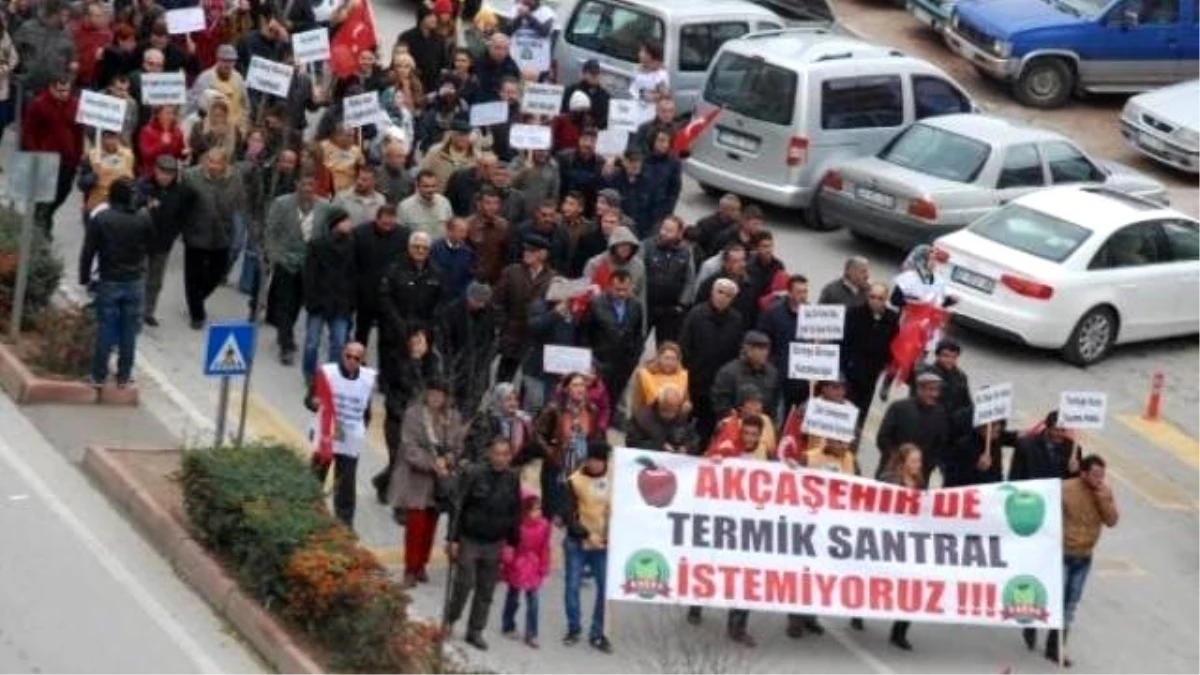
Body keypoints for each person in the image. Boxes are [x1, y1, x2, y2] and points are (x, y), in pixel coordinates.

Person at [687, 413, 767, 645]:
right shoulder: (727, 451)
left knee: (746, 576)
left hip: (749, 526)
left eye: (755, 434)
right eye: (746, 433)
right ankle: (696, 604)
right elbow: (705, 468)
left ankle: (738, 626)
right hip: (723, 522)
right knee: (711, 566)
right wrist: (712, 463)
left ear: (760, 436)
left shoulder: (763, 456)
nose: (750, 438)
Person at [445, 436, 523, 652]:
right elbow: (457, 507)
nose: (500, 459)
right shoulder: (473, 474)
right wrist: (452, 539)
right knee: (464, 583)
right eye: (496, 454)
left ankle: (475, 631)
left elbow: (515, 512)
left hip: (495, 542)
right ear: (490, 454)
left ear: (510, 456)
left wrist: (512, 543)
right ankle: (450, 621)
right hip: (470, 538)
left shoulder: (512, 479)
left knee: (486, 590)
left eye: (505, 454)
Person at [1041, 454, 1119, 666]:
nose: (1099, 480)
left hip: (1084, 557)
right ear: (1083, 473)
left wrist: (1104, 499)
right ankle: (1038, 632)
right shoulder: (1065, 489)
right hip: (1063, 554)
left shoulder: (1104, 492)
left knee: (1070, 604)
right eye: (1095, 475)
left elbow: (1112, 520)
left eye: (1102, 475)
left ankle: (1056, 646)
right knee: (1055, 599)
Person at [79, 178, 154, 389]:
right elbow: (151, 245)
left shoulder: (102, 219)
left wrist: (84, 277)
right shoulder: (143, 218)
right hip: (134, 280)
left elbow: (88, 251)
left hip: (109, 279)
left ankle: (98, 375)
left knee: (106, 328)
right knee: (129, 331)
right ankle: (124, 376)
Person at [391, 379, 464, 588]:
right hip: (417, 478)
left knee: (431, 524)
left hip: (440, 482)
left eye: (440, 395)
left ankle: (422, 564)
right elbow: (409, 446)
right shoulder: (414, 414)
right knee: (415, 524)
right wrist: (432, 464)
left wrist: (449, 459)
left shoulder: (453, 417)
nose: (436, 398)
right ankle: (410, 569)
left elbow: (459, 445)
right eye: (432, 394)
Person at [307, 341, 377, 527]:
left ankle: (344, 523)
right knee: (316, 475)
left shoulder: (367, 379)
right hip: (326, 433)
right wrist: (314, 403)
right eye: (349, 355)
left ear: (363, 360)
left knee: (346, 483)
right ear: (342, 354)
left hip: (350, 438)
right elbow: (309, 399)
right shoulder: (327, 374)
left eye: (357, 358)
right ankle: (307, 513)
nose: (352, 360)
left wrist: (360, 431)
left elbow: (366, 410)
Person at [264, 174, 332, 363]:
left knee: (297, 305)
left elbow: (326, 235)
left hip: (309, 265)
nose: (307, 188)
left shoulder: (325, 207)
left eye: (311, 184)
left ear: (316, 185)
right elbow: (271, 231)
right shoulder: (281, 203)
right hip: (286, 262)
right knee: (285, 303)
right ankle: (286, 343)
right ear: (297, 184)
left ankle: (285, 332)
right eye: (304, 184)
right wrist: (274, 256)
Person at [375, 327, 445, 503]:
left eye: (423, 341)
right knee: (397, 456)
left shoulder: (433, 363)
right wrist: (414, 361)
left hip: (418, 419)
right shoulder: (398, 359)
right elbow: (402, 384)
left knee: (404, 458)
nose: (419, 345)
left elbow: (428, 389)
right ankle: (392, 494)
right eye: (415, 341)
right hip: (396, 416)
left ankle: (383, 483)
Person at [182, 147, 246, 329]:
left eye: (217, 163)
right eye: (210, 161)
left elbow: (240, 201)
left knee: (217, 272)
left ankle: (197, 297)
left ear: (225, 164)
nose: (213, 166)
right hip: (196, 231)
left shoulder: (235, 179)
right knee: (193, 275)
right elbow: (183, 203)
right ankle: (197, 314)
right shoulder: (191, 176)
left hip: (221, 233)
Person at [562, 440, 614, 653]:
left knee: (604, 589)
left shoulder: (615, 477)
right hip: (578, 542)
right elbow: (569, 515)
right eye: (591, 459)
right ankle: (574, 628)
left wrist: (610, 534)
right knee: (572, 586)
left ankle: (597, 632)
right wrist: (586, 534)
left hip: (603, 544)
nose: (594, 464)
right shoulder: (574, 481)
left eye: (598, 461)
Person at [678, 279, 744, 442]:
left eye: (728, 295)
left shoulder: (737, 320)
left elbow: (736, 352)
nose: (723, 297)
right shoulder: (696, 314)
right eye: (720, 292)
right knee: (683, 422)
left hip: (719, 384)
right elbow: (684, 346)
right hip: (694, 379)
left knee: (707, 427)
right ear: (712, 293)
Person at [532, 372, 602, 521]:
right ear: (567, 389)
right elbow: (537, 434)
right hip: (556, 465)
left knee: (571, 510)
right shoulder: (554, 408)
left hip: (579, 467)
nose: (580, 388)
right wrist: (551, 452)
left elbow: (594, 436)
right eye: (575, 385)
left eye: (583, 385)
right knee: (549, 510)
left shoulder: (591, 410)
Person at [21, 75, 82, 237]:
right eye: (60, 90)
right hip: (46, 159)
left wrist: (77, 156)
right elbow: (28, 131)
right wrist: (35, 152)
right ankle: (40, 223)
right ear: (51, 88)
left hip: (67, 159)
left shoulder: (75, 105)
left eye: (67, 90)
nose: (64, 94)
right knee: (44, 194)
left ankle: (47, 215)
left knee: (64, 191)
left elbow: (78, 133)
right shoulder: (38, 104)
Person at [301, 208, 357, 383]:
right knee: (312, 342)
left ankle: (331, 375)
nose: (350, 224)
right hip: (319, 301)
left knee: (339, 342)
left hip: (341, 303)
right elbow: (309, 274)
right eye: (346, 220)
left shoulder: (353, 246)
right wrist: (311, 299)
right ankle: (309, 373)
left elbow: (355, 275)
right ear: (336, 223)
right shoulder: (318, 245)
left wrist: (352, 301)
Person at [137, 155, 192, 327]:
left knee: (155, 281)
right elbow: (133, 204)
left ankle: (149, 312)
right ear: (156, 171)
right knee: (140, 277)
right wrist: (145, 203)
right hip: (142, 242)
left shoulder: (180, 192)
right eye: (162, 172)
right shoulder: (144, 186)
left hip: (163, 244)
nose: (165, 177)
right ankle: (136, 312)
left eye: (169, 174)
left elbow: (183, 216)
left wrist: (174, 234)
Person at [880, 443, 925, 650]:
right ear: (903, 461)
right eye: (914, 460)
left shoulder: (919, 484)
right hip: (887, 540)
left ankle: (900, 631)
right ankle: (858, 613)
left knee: (913, 587)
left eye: (919, 461)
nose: (919, 464)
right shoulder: (888, 481)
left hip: (909, 543)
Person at [493, 232, 555, 382]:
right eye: (525, 250)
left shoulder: (552, 278)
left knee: (527, 382)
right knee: (503, 376)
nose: (526, 254)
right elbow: (496, 302)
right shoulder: (511, 272)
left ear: (543, 254)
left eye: (531, 251)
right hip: (511, 334)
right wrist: (502, 325)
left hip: (534, 339)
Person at [582, 269, 645, 412]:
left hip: (623, 364)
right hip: (599, 361)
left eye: (625, 290)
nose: (622, 293)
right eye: (618, 290)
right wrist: (590, 359)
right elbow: (584, 334)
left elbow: (638, 334)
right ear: (610, 286)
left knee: (612, 401)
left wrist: (634, 358)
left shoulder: (636, 306)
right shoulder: (596, 304)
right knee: (594, 400)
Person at [842, 282, 899, 433]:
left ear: (885, 299)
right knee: (844, 412)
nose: (875, 301)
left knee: (860, 414)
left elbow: (894, 344)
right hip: (850, 373)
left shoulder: (892, 319)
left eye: (880, 298)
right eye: (872, 297)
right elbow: (844, 341)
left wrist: (885, 364)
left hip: (871, 374)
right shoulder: (855, 313)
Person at [350, 205, 408, 351]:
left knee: (387, 335)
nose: (388, 227)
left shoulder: (404, 235)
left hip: (390, 294)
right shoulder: (360, 233)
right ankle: (358, 363)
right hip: (366, 293)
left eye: (391, 223)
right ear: (376, 219)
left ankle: (384, 369)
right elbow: (352, 262)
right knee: (361, 332)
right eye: (384, 223)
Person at [499, 489, 551, 649]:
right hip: (517, 565)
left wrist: (544, 566)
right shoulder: (516, 526)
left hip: (533, 566)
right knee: (513, 597)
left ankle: (532, 633)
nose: (538, 512)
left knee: (533, 601)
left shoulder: (544, 526)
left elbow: (545, 548)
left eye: (539, 508)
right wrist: (507, 562)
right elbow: (508, 546)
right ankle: (508, 624)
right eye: (534, 509)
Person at [875, 371, 948, 482]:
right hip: (892, 472)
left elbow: (940, 446)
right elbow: (883, 438)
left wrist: (924, 465)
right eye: (930, 389)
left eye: (936, 390)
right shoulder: (898, 408)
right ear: (919, 389)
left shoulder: (940, 414)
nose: (934, 394)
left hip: (919, 476)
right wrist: (899, 460)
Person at [756, 274, 809, 415]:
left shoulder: (812, 315)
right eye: (799, 292)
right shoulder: (773, 313)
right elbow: (761, 341)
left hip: (799, 381)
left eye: (805, 291)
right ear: (789, 292)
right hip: (776, 376)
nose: (803, 296)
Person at [641, 214, 694, 344]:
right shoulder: (647, 246)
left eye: (670, 230)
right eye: (663, 228)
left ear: (679, 233)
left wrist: (682, 304)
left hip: (670, 311)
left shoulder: (686, 252)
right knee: (636, 343)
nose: (664, 233)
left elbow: (690, 280)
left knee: (665, 347)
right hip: (646, 306)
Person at [712, 331, 781, 422]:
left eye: (766, 349)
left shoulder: (772, 373)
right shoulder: (728, 372)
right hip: (734, 423)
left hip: (762, 425)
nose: (765, 353)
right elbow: (721, 405)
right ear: (747, 350)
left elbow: (773, 406)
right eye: (760, 349)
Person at [1010, 411, 1082, 482]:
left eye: (1063, 430)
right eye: (1056, 430)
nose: (1060, 434)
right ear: (1047, 428)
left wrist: (1075, 470)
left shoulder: (1074, 450)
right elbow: (1015, 476)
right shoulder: (1025, 445)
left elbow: (1074, 481)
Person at [626, 384, 699, 454]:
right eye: (665, 409)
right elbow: (632, 443)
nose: (670, 414)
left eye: (673, 410)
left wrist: (687, 447)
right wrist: (660, 446)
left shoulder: (680, 417)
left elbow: (694, 439)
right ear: (659, 403)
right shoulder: (642, 417)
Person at [632, 342, 689, 418]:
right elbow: (637, 405)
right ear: (659, 358)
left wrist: (685, 406)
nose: (669, 362)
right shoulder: (644, 374)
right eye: (667, 358)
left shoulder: (682, 376)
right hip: (648, 417)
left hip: (674, 421)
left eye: (673, 359)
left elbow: (686, 400)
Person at [400, 168, 454, 238]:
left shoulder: (444, 203)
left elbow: (451, 229)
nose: (430, 190)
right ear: (417, 185)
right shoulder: (405, 207)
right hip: (418, 247)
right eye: (426, 186)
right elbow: (401, 235)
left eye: (433, 186)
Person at [432, 216, 477, 300]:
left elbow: (470, 277)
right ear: (449, 231)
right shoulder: (435, 249)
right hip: (437, 298)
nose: (464, 235)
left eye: (465, 232)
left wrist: (463, 296)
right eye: (461, 231)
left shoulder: (468, 252)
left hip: (458, 299)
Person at [687, 193, 741, 262]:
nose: (737, 213)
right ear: (723, 209)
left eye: (737, 210)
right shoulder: (705, 224)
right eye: (733, 210)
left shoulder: (738, 226)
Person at [332, 163, 387, 228]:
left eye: (364, 180)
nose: (359, 182)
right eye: (358, 178)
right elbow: (331, 221)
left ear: (374, 181)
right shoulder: (342, 197)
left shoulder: (381, 200)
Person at [561, 58, 610, 129]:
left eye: (597, 73)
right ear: (583, 74)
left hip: (593, 133)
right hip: (572, 129)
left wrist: (594, 125)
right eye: (591, 73)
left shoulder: (605, 96)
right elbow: (564, 111)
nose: (594, 76)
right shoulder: (571, 90)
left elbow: (605, 119)